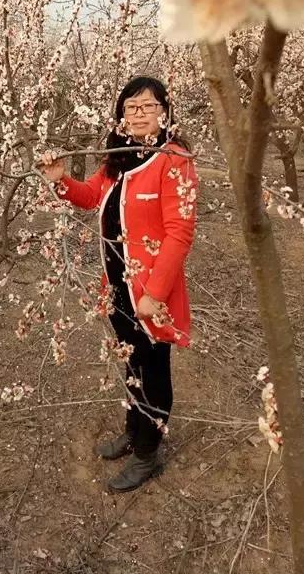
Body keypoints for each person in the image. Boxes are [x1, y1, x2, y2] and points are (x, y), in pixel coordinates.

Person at [41, 76, 198, 492]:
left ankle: (148, 453)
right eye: (131, 107)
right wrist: (60, 181)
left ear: (165, 112)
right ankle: (134, 430)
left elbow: (180, 233)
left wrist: (154, 293)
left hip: (150, 294)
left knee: (153, 368)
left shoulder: (173, 159)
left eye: (149, 106)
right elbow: (91, 196)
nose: (140, 114)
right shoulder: (120, 158)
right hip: (116, 285)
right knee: (131, 361)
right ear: (121, 116)